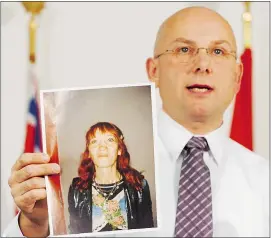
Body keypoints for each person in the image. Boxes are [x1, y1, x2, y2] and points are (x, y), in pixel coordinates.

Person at [3, 6, 269, 238]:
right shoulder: (73, 185)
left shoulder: (264, 182)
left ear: (237, 76)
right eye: (184, 49)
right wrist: (35, 227)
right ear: (153, 70)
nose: (202, 63)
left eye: (218, 51)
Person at [67, 122, 154, 234]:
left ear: (119, 150)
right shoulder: (76, 188)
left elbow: (147, 232)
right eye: (94, 142)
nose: (102, 147)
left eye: (110, 140)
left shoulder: (139, 186)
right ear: (89, 152)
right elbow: (74, 232)